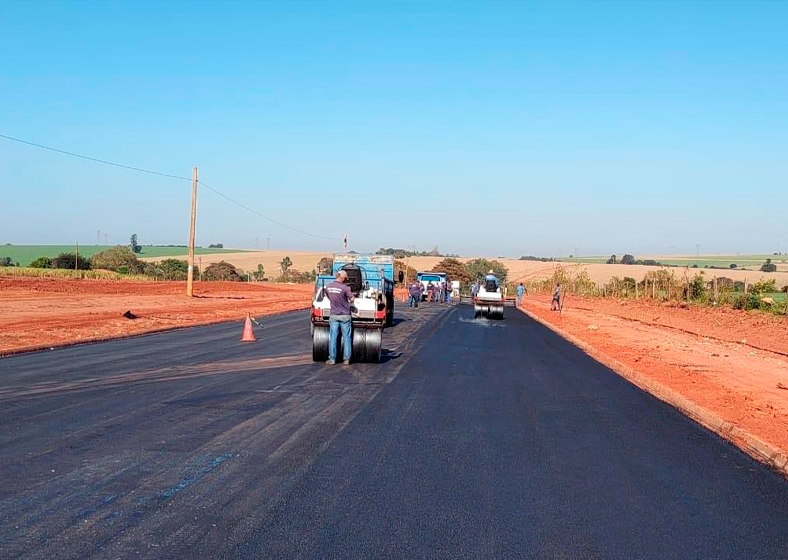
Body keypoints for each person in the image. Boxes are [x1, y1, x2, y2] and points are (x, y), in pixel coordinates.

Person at [325, 270, 354, 364]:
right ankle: (346, 359)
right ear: (342, 277)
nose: (345, 280)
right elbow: (352, 299)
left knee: (333, 337)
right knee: (347, 337)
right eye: (345, 278)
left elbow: (328, 297)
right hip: (345, 315)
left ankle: (332, 359)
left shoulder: (328, 287)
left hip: (334, 315)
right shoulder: (345, 288)